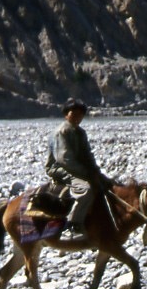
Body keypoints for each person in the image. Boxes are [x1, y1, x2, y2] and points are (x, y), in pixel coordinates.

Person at [44, 98, 109, 236]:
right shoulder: (61, 131)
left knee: (107, 185)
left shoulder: (80, 132)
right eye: (74, 113)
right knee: (85, 189)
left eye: (80, 114)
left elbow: (87, 154)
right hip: (60, 169)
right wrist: (86, 173)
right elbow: (64, 159)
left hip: (76, 168)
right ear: (66, 114)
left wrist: (96, 171)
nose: (77, 117)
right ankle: (73, 224)